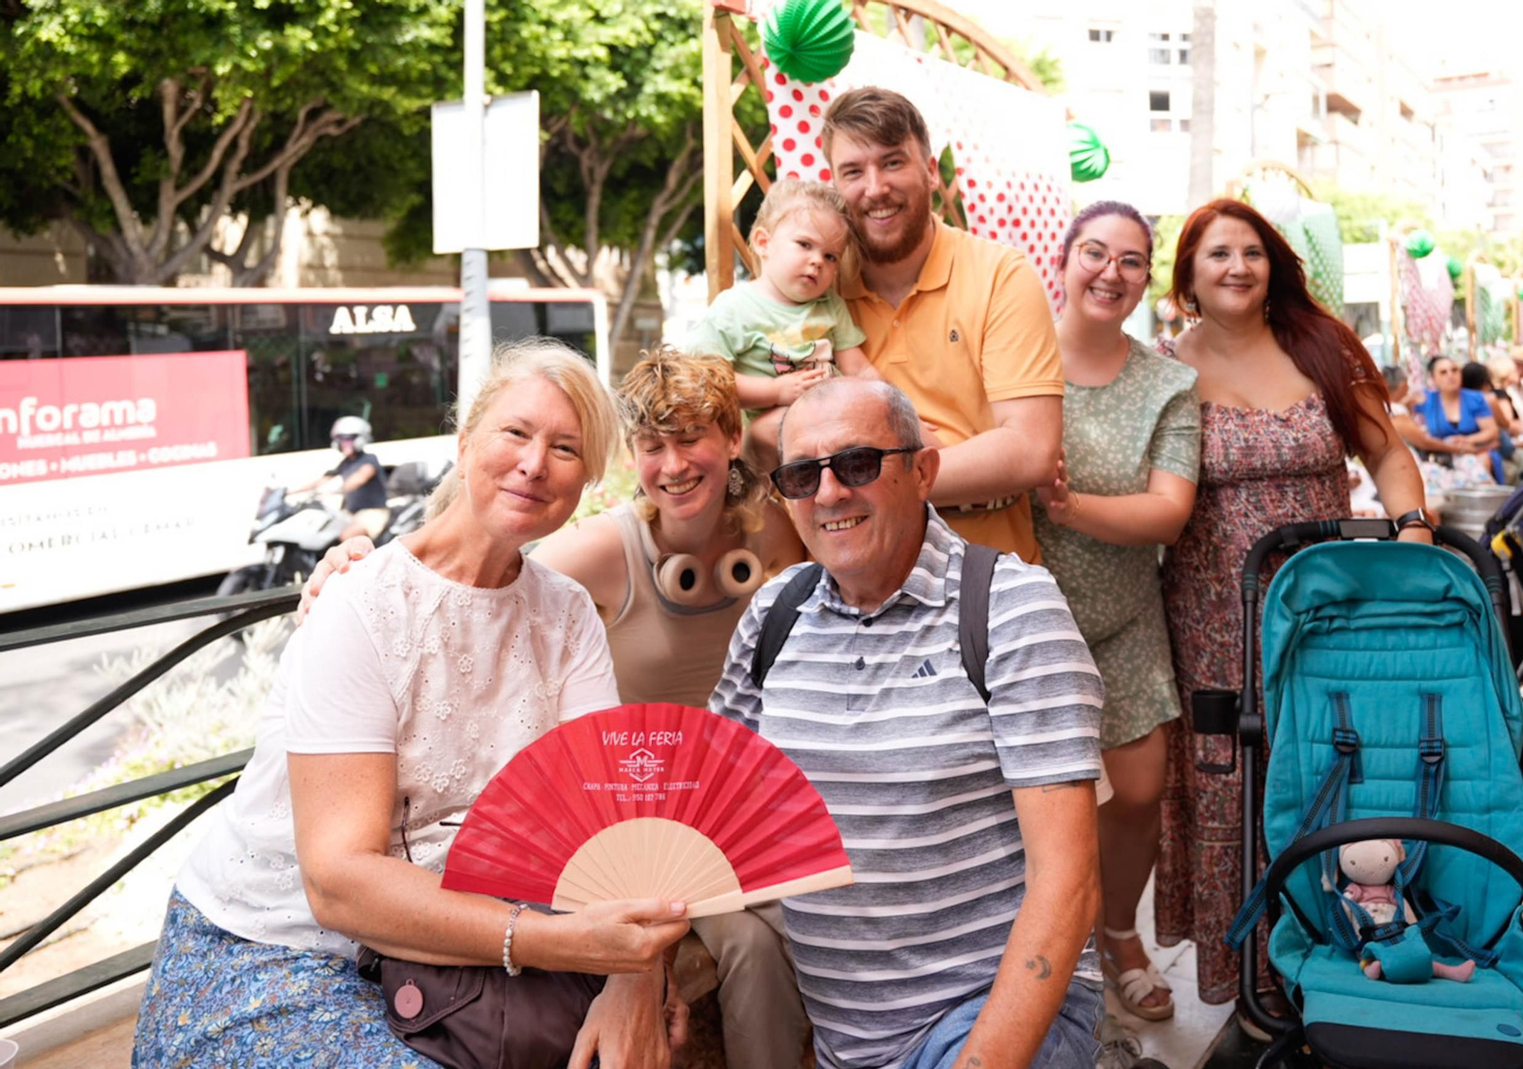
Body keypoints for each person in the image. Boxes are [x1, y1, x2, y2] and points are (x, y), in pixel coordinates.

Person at [135, 341, 691, 1068]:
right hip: (280, 946)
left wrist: (635, 976)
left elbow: (613, 817)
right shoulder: (362, 605)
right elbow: (338, 883)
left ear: (585, 481)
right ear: (464, 444)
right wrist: (562, 941)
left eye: (565, 447)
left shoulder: (568, 614)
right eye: (516, 433)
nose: (534, 463)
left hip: (446, 953)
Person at [300, 349, 812, 1069]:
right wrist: (349, 563)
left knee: (828, 914)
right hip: (642, 824)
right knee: (753, 947)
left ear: (733, 439)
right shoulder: (590, 558)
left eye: (565, 447)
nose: (673, 465)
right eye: (651, 446)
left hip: (732, 807)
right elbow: (467, 579)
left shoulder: (777, 533)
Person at [712, 376, 1105, 1069]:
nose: (829, 492)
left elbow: (1068, 884)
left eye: (858, 463)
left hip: (997, 1017)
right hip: (848, 1043)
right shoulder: (774, 616)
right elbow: (700, 812)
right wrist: (631, 981)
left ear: (923, 471)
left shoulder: (1009, 609)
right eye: (803, 474)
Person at [1154, 199, 1430, 1014]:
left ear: (1273, 264)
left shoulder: (1322, 346)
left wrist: (1411, 527)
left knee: (1331, 763)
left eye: (1252, 251)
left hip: (1325, 607)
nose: (1237, 266)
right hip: (1212, 619)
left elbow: (1386, 450)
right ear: (1189, 278)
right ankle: (1252, 981)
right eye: (1217, 255)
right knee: (1231, 787)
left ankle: (1347, 946)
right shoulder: (1165, 368)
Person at [1030, 201, 1199, 1023]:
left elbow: (1168, 512)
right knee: (1026, 802)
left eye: (1131, 261)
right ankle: (1036, 947)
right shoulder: (1015, 358)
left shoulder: (1168, 382)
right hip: (1021, 622)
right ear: (1061, 261)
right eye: (1094, 253)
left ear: (1145, 281)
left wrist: (1068, 505)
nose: (1111, 272)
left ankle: (1117, 930)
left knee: (1137, 789)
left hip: (1124, 615)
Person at [821, 87, 1064, 561]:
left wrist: (861, 483)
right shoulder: (816, 288)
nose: (874, 188)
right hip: (847, 590)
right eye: (853, 171)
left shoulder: (1000, 276)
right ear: (834, 184)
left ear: (931, 171)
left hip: (988, 582)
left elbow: (1032, 449)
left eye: (893, 162)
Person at [684, 179, 878, 472]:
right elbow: (706, 380)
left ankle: (932, 464)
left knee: (883, 421)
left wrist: (889, 402)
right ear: (764, 243)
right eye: (804, 245)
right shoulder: (736, 308)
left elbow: (858, 368)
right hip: (766, 433)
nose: (817, 262)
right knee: (778, 425)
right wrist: (774, 391)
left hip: (829, 418)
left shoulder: (829, 305)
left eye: (830, 256)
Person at [294, 415, 390, 541]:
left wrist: (333, 491)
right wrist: (290, 492)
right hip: (350, 513)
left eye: (349, 439)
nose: (345, 443)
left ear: (360, 439)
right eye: (341, 439)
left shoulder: (369, 460)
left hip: (372, 513)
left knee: (347, 536)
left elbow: (359, 479)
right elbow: (321, 480)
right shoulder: (345, 463)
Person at [1418, 355, 1502, 482]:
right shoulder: (1426, 400)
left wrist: (1467, 440)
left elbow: (1491, 431)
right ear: (1433, 379)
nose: (1450, 375)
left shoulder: (1475, 399)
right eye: (1443, 372)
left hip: (1475, 452)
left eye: (1454, 370)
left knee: (1479, 467)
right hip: (1441, 456)